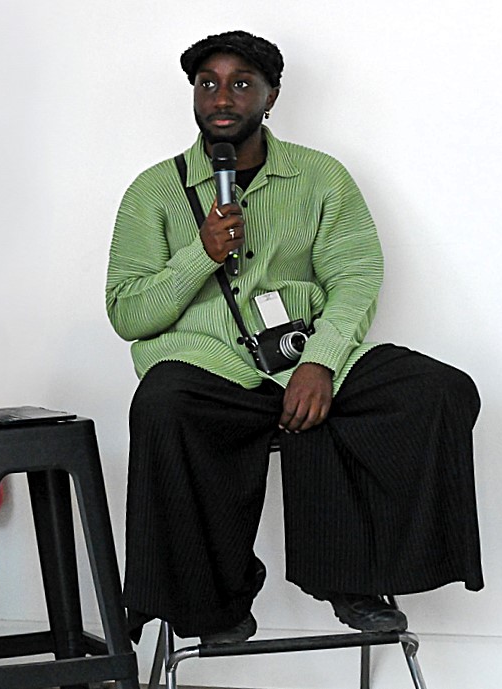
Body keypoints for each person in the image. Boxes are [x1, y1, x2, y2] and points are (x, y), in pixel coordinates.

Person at [105, 30, 483, 645]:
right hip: (204, 366)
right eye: (207, 84)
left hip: (298, 353)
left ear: (271, 95)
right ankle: (215, 603)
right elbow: (127, 312)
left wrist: (322, 362)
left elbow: (355, 276)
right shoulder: (154, 190)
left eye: (240, 84)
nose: (221, 97)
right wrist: (201, 255)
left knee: (437, 390)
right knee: (162, 404)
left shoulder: (320, 177)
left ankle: (355, 577)